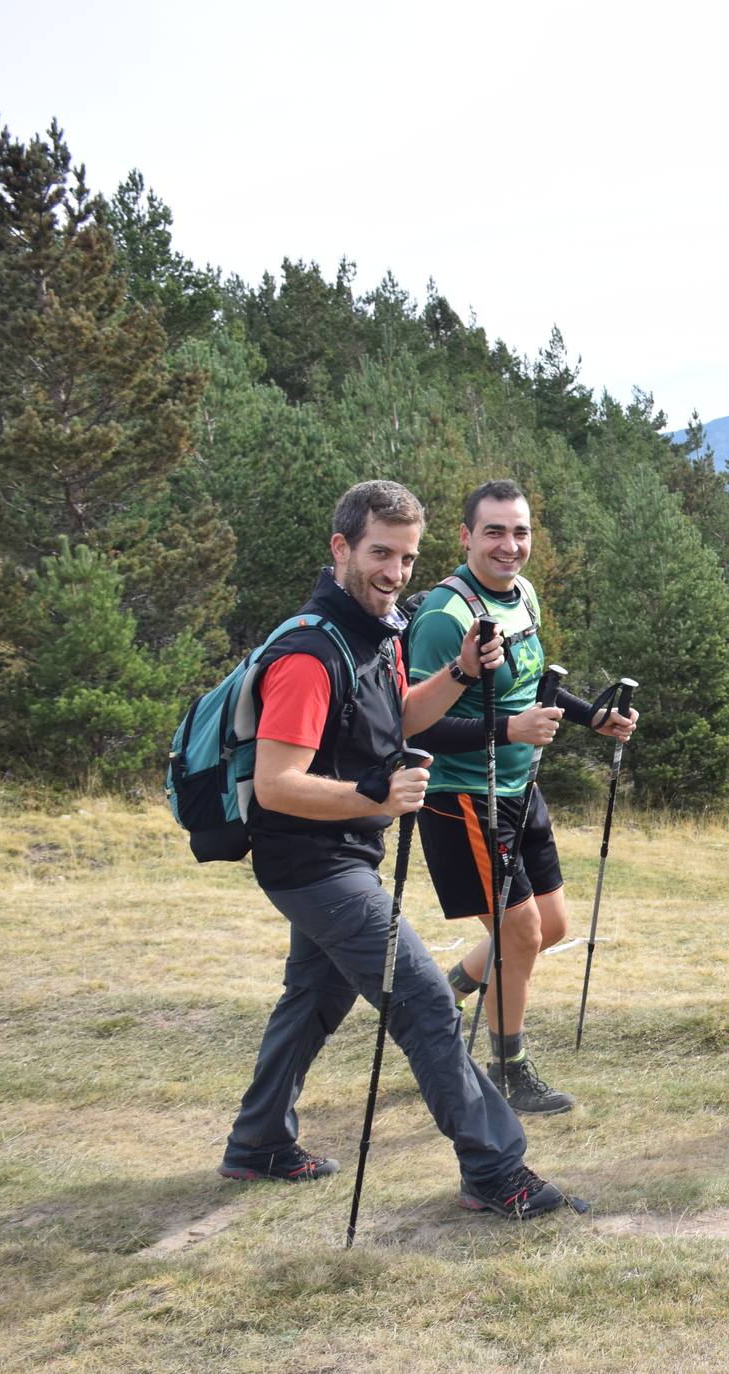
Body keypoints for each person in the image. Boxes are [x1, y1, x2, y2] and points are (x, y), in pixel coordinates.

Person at [221, 479, 577, 1218]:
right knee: (422, 1000)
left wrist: (457, 675)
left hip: (344, 853)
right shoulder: (310, 655)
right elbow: (278, 782)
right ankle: (495, 1171)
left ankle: (257, 1143)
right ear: (340, 548)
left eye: (407, 559)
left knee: (312, 999)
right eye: (380, 554)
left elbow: (401, 719)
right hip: (310, 863)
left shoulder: (375, 634)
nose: (394, 572)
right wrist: (372, 800)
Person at [406, 479, 637, 1114]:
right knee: (520, 932)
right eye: (495, 532)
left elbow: (530, 685)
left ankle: (443, 996)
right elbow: (416, 724)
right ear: (466, 537)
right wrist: (509, 729)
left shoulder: (522, 596)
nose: (510, 546)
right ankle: (509, 1070)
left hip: (518, 786)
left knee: (550, 927)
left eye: (521, 531)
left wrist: (593, 717)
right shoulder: (445, 618)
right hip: (462, 797)